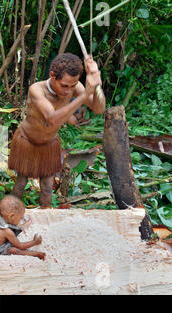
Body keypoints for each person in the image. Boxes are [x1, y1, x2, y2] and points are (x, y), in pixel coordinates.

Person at [9, 53, 105, 208]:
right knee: (21, 183)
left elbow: (99, 108)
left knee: (47, 187)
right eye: (64, 85)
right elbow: (51, 117)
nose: (68, 91)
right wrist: (86, 95)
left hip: (49, 143)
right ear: (52, 76)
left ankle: (45, 222)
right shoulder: (37, 90)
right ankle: (8, 217)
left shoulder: (74, 87)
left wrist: (96, 86)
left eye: (73, 86)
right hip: (27, 140)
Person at [0, 194, 46, 260]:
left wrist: (3, 208)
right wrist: (34, 242)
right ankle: (36, 254)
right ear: (11, 216)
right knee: (14, 250)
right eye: (20, 218)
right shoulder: (7, 231)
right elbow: (20, 246)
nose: (20, 220)